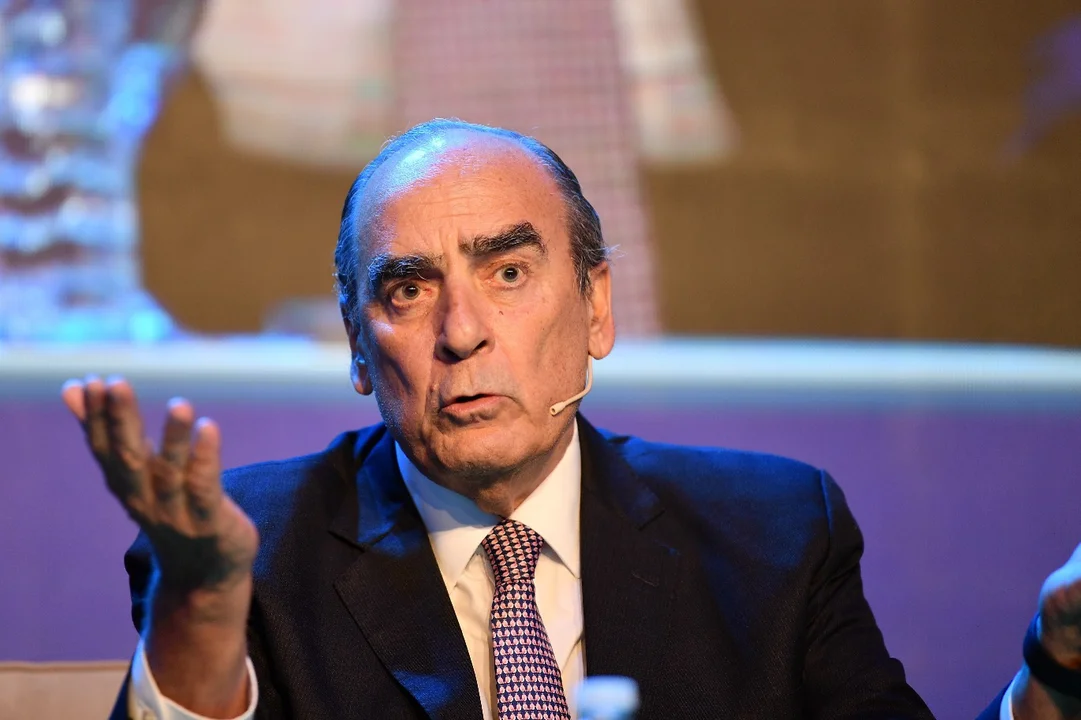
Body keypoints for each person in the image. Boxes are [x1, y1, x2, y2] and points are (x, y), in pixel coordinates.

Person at [63, 119, 1081, 719]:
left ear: (595, 308)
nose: (462, 332)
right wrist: (202, 611)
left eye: (508, 273)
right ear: (357, 348)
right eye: (408, 291)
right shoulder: (244, 555)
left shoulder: (774, 534)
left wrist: (1053, 672)